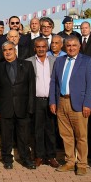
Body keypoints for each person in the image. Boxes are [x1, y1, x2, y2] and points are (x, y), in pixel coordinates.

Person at [49, 35, 91, 175]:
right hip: (62, 101)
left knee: (81, 135)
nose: (71, 48)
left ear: (79, 46)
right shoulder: (59, 61)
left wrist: (87, 104)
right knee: (66, 135)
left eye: (74, 45)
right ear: (64, 47)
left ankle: (81, 163)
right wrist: (53, 101)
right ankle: (69, 161)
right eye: (68, 45)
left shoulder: (87, 61)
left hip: (79, 104)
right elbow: (53, 83)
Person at [0, 41, 36, 170]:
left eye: (10, 49)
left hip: (23, 108)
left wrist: (31, 107)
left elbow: (31, 88)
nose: (8, 52)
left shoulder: (27, 65)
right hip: (5, 108)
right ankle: (7, 159)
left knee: (23, 137)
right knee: (6, 137)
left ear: (15, 50)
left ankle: (26, 159)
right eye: (5, 50)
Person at [26, 38, 59, 168]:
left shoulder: (55, 61)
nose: (41, 49)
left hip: (51, 101)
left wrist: (55, 100)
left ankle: (51, 156)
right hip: (36, 100)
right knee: (37, 130)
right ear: (35, 48)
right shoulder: (28, 62)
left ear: (47, 47)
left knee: (51, 130)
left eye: (43, 46)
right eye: (38, 47)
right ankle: (39, 156)